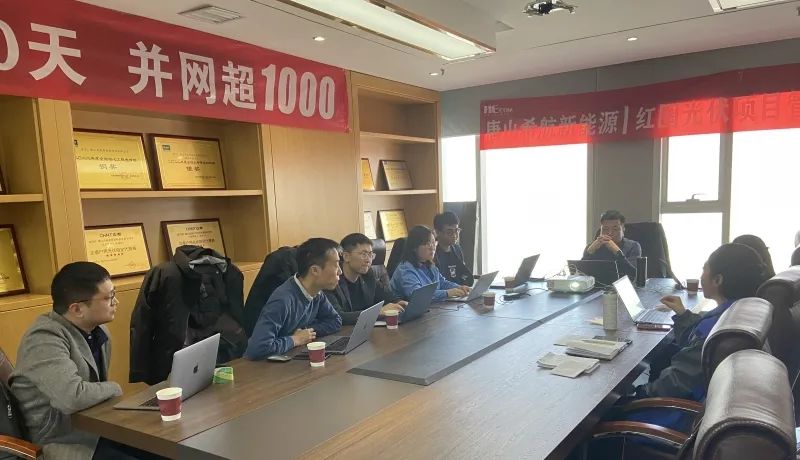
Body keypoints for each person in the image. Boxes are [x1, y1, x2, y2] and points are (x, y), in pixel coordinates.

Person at [10, 262, 161, 460]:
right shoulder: (43, 339)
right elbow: (72, 397)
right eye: (109, 297)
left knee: (165, 451)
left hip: (94, 428)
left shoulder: (98, 331)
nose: (116, 302)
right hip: (58, 441)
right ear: (77, 309)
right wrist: (114, 387)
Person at [632, 244, 765, 423]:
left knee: (606, 411)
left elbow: (676, 382)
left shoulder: (717, 330)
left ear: (718, 280)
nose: (702, 274)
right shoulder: (741, 311)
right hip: (705, 405)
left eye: (704, 268)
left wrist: (638, 393)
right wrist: (683, 315)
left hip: (678, 416)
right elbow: (694, 346)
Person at [245, 238, 343, 360]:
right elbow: (258, 348)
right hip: (260, 367)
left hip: (289, 358)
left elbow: (335, 321)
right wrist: (295, 339)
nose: (340, 271)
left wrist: (306, 332)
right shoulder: (283, 299)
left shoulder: (316, 292)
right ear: (315, 270)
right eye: (336, 265)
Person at [325, 233, 407, 325]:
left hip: (365, 329)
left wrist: (399, 302)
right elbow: (339, 316)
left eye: (370, 254)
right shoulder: (332, 280)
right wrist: (377, 312)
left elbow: (386, 296)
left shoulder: (368, 275)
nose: (368, 260)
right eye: (363, 254)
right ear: (346, 256)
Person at [390, 225, 471, 302]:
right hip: (404, 310)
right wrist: (447, 293)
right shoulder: (405, 269)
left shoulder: (429, 264)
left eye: (433, 242)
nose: (432, 247)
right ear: (414, 247)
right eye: (427, 243)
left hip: (431, 307)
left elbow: (442, 283)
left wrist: (459, 287)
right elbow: (418, 295)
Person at [582, 210, 641, 280]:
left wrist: (617, 252)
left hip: (622, 285)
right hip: (596, 284)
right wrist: (589, 252)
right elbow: (580, 274)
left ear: (623, 229)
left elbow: (633, 274)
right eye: (605, 229)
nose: (610, 233)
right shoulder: (592, 246)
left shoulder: (633, 246)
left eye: (615, 229)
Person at [433, 212, 474, 287]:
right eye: (449, 232)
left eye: (456, 230)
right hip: (445, 292)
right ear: (437, 232)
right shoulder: (432, 253)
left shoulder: (457, 249)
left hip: (459, 290)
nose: (455, 235)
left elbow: (465, 274)